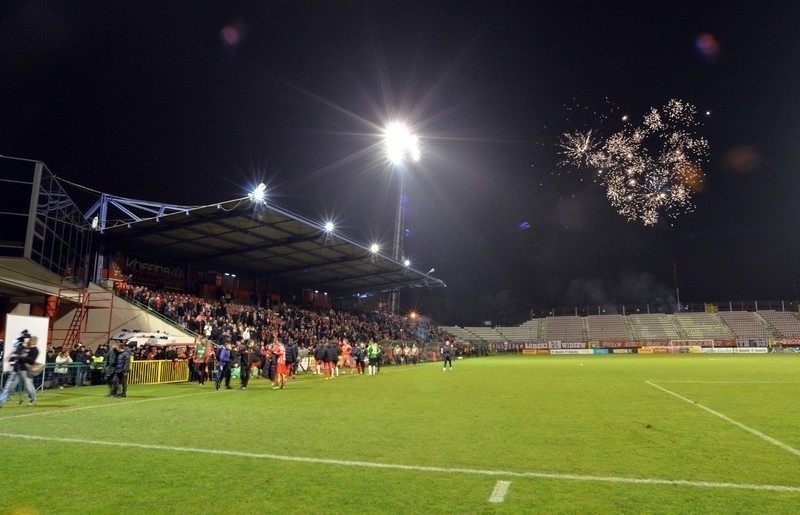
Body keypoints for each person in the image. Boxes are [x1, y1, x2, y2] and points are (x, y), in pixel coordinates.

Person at [0, 332, 40, 407]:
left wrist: (21, 357)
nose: (30, 341)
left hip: (26, 371)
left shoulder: (35, 350)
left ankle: (33, 400)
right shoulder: (24, 348)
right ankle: (1, 402)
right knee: (9, 387)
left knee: (29, 386)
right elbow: (16, 355)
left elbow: (31, 361)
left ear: (35, 341)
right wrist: (14, 357)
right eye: (30, 339)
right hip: (17, 369)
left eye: (32, 340)